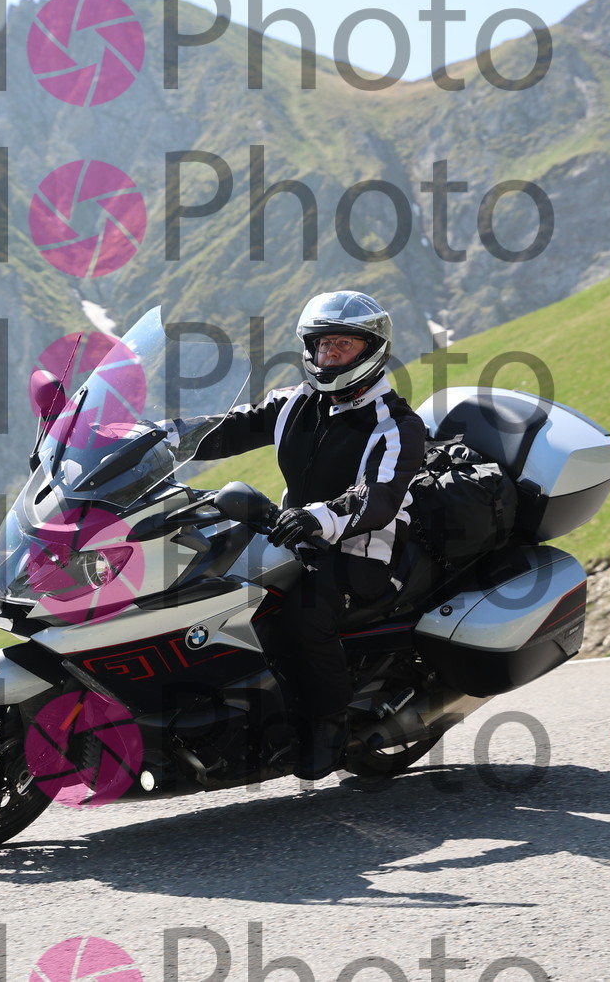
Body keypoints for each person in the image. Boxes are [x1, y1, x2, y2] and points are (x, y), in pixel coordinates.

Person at [165, 291, 428, 779]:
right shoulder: (297, 402)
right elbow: (225, 430)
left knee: (299, 611)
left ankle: (327, 723)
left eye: (343, 345)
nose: (330, 355)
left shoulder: (395, 425)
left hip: (362, 553)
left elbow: (376, 498)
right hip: (295, 537)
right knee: (212, 580)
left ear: (372, 350)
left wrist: (316, 517)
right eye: (323, 345)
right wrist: (150, 439)